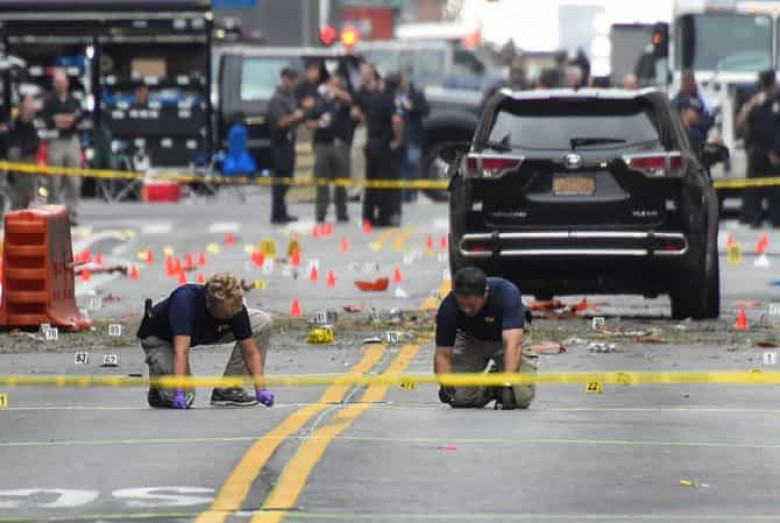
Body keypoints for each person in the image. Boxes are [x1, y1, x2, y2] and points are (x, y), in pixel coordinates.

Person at [137, 273, 275, 409]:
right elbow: (182, 351)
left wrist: (261, 389)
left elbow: (250, 352)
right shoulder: (184, 302)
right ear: (209, 304)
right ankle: (159, 389)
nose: (231, 316)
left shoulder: (234, 305)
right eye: (226, 314)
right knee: (184, 396)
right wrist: (179, 391)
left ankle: (228, 389)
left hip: (203, 332)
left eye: (233, 312)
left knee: (261, 322)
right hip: (161, 337)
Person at [434, 267, 538, 410]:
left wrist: (508, 384)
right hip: (472, 339)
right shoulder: (448, 307)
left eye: (472, 305)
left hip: (507, 340)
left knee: (520, 399)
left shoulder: (507, 294)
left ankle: (501, 377)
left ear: (485, 293)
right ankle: (492, 385)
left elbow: (512, 344)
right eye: (462, 305)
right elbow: (443, 353)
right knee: (458, 398)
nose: (467, 310)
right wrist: (444, 384)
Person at [355, 69, 404, 227]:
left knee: (371, 181)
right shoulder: (393, 100)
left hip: (371, 142)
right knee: (385, 182)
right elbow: (397, 120)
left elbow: (361, 115)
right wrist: (398, 140)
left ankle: (367, 216)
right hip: (384, 144)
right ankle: (384, 216)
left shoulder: (373, 99)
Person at [308, 73, 355, 223]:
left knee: (341, 181)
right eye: (333, 82)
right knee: (322, 181)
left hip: (340, 144)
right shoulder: (318, 100)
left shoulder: (343, 101)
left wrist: (337, 92)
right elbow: (308, 121)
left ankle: (341, 212)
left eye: (338, 82)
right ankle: (321, 212)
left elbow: (352, 101)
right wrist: (318, 123)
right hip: (322, 144)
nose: (335, 85)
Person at [736, 69, 780, 228]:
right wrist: (750, 106)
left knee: (776, 190)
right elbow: (740, 124)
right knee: (754, 188)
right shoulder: (755, 101)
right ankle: (752, 216)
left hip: (775, 152)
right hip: (757, 151)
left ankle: (776, 217)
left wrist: (777, 151)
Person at [268, 67, 310, 224]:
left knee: (288, 176)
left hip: (290, 141)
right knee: (281, 178)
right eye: (289, 78)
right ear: (283, 78)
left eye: (293, 79)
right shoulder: (277, 99)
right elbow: (281, 122)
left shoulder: (290, 96)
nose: (291, 82)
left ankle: (282, 210)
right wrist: (296, 116)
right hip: (280, 142)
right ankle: (277, 213)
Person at [42, 70, 83, 223]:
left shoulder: (74, 100)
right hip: (55, 142)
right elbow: (48, 120)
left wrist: (64, 120)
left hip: (72, 141)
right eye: (57, 82)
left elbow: (78, 118)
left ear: (67, 83)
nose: (60, 85)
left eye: (63, 82)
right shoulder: (49, 101)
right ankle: (54, 213)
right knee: (54, 180)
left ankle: (72, 213)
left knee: (74, 180)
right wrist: (61, 120)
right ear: (54, 84)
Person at [397, 71, 429, 203]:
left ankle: (412, 192)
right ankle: (402, 193)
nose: (403, 82)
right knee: (401, 165)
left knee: (413, 163)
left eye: (404, 79)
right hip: (399, 134)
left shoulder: (416, 94)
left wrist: (412, 107)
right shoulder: (396, 95)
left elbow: (426, 110)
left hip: (413, 135)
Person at [7, 95, 41, 209]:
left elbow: (36, 141)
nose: (30, 106)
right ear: (22, 106)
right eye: (27, 103)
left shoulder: (36, 122)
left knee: (27, 186)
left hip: (30, 156)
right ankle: (17, 208)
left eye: (31, 103)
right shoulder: (15, 121)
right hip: (17, 157)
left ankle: (22, 207)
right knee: (18, 185)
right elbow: (11, 138)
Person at [673, 71, 714, 139]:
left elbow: (709, 118)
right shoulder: (677, 102)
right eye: (687, 81)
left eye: (691, 81)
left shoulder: (701, 100)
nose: (690, 84)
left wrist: (698, 121)